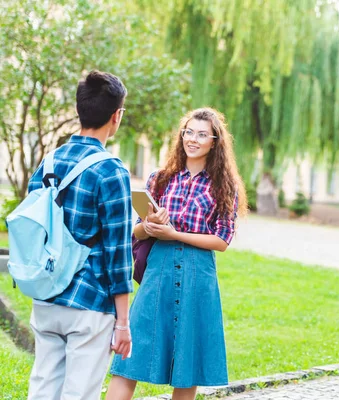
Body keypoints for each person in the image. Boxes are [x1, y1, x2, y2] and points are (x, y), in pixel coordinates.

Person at [107, 108, 248, 400]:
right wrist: (150, 225)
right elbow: (136, 231)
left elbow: (222, 239)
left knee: (188, 365)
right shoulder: (160, 179)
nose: (193, 140)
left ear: (214, 141)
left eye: (201, 134)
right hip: (158, 272)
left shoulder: (225, 186)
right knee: (129, 359)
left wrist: (173, 234)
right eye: (188, 132)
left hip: (198, 275)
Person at [27, 71, 133, 399]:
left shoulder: (48, 162)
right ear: (116, 117)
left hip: (46, 297)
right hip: (89, 304)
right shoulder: (111, 171)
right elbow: (118, 253)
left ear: (79, 111)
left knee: (42, 391)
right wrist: (123, 322)